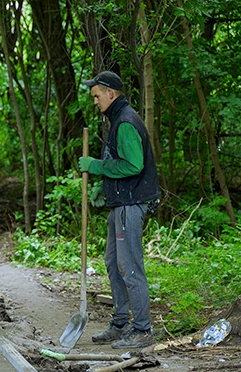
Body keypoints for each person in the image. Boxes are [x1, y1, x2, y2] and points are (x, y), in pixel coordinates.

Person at [80, 71, 160, 350]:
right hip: (120, 204)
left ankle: (142, 329)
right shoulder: (118, 119)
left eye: (97, 96)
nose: (95, 101)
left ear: (110, 94)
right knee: (114, 263)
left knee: (129, 266)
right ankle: (121, 323)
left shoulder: (125, 122)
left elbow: (134, 165)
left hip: (130, 204)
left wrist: (96, 166)